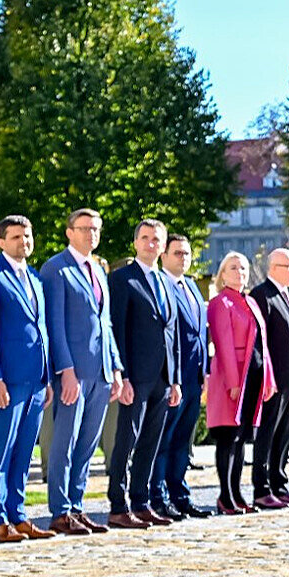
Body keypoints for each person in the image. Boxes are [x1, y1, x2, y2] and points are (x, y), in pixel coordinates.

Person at [40, 208, 126, 535]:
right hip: (73, 373)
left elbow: (106, 324)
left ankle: (76, 505)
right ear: (69, 232)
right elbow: (55, 325)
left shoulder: (98, 270)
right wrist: (65, 370)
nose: (91, 234)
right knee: (66, 442)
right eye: (84, 228)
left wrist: (115, 367)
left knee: (88, 444)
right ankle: (60, 510)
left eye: (95, 229)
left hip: (101, 372)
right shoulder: (56, 269)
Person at [0, 216, 55, 544]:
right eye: (14, 237)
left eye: (26, 236)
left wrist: (48, 376)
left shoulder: (36, 279)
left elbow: (42, 330)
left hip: (37, 379)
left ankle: (18, 514)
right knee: (1, 450)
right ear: (1, 242)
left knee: (25, 451)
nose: (22, 242)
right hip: (7, 380)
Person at [106, 219, 181, 529]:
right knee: (126, 440)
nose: (151, 244)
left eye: (156, 240)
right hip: (134, 376)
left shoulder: (166, 281)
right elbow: (117, 328)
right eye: (146, 238)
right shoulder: (123, 279)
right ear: (136, 242)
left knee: (151, 441)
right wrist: (120, 374)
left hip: (162, 377)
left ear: (162, 246)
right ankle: (118, 504)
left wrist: (175, 378)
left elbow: (171, 331)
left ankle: (142, 500)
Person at [206, 252, 273, 517]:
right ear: (222, 273)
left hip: (254, 376)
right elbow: (222, 344)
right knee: (228, 438)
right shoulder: (221, 302)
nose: (240, 273)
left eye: (243, 268)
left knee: (242, 438)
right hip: (231, 379)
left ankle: (237, 493)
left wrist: (269, 379)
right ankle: (226, 496)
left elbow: (263, 345)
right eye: (233, 268)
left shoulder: (250, 302)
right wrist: (234, 382)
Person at [153, 234, 211, 519]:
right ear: (163, 256)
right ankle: (159, 496)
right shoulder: (161, 285)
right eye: (177, 253)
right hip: (170, 378)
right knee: (165, 439)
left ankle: (180, 494)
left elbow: (201, 333)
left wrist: (206, 372)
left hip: (193, 377)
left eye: (187, 253)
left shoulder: (191, 286)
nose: (183, 258)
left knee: (182, 442)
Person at [250, 248, 289, 509]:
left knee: (284, 435)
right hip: (273, 381)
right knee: (268, 434)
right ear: (273, 268)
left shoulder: (288, 295)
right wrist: (266, 377)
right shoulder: (262, 295)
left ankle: (279, 484)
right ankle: (262, 488)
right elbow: (259, 342)